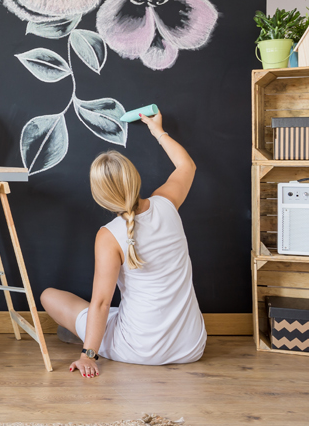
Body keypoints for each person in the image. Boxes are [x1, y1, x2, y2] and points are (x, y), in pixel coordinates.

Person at [39, 111, 204, 378]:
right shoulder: (167, 204)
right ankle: (92, 332)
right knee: (115, 311)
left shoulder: (109, 235)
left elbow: (102, 301)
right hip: (191, 346)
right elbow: (187, 166)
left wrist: (88, 356)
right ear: (135, 178)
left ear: (99, 196)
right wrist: (157, 130)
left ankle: (90, 338)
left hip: (138, 349)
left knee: (49, 296)